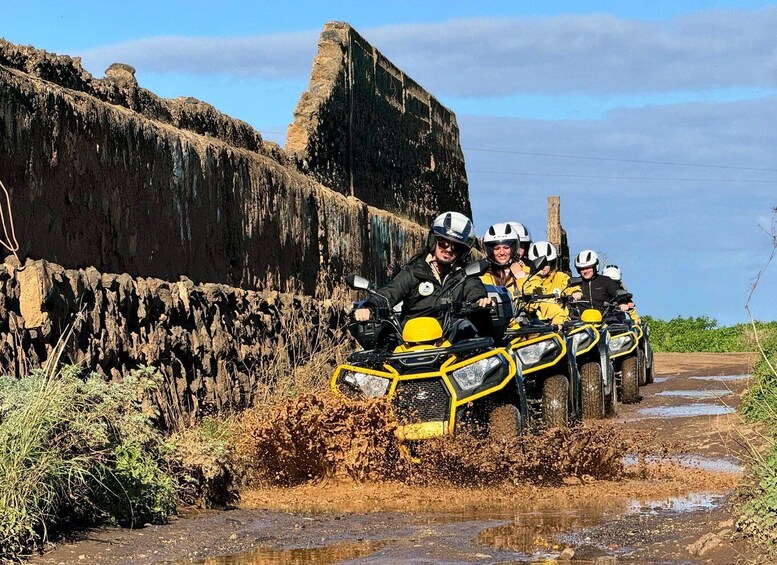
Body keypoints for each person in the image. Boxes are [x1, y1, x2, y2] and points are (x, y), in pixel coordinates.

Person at [353, 211, 491, 336]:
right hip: (410, 340)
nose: (448, 249)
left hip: (451, 341)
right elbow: (390, 292)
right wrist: (369, 307)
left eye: (456, 247)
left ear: (463, 252)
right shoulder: (414, 271)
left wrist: (480, 300)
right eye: (443, 243)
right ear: (433, 241)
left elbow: (474, 289)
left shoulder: (464, 275)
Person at [521, 241, 580, 327]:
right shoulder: (526, 278)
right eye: (539, 264)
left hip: (558, 322)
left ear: (552, 263)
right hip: (533, 323)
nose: (543, 267)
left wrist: (575, 292)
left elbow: (569, 284)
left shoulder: (559, 277)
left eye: (546, 264)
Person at [480, 222, 528, 294]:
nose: (502, 252)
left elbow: (535, 296)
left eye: (506, 248)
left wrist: (521, 277)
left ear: (513, 249)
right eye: (497, 248)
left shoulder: (525, 271)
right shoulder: (483, 274)